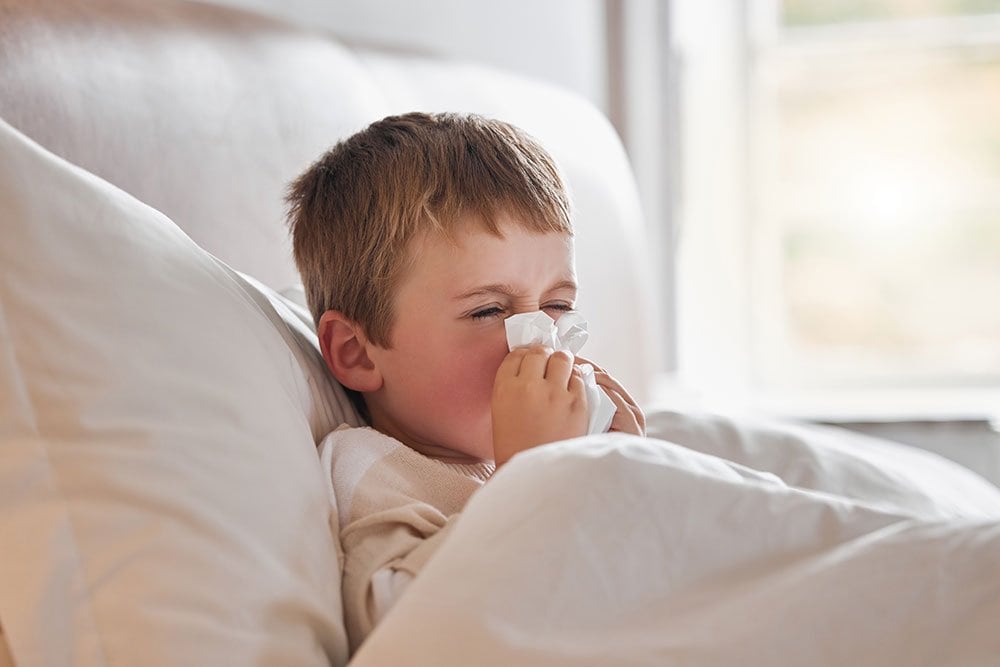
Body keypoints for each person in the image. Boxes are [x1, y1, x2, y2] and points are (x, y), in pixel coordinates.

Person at [286, 111, 645, 652]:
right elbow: (400, 625)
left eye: (557, 305)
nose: (541, 340)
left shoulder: (577, 445)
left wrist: (624, 476)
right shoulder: (374, 468)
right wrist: (531, 475)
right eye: (489, 311)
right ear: (358, 352)